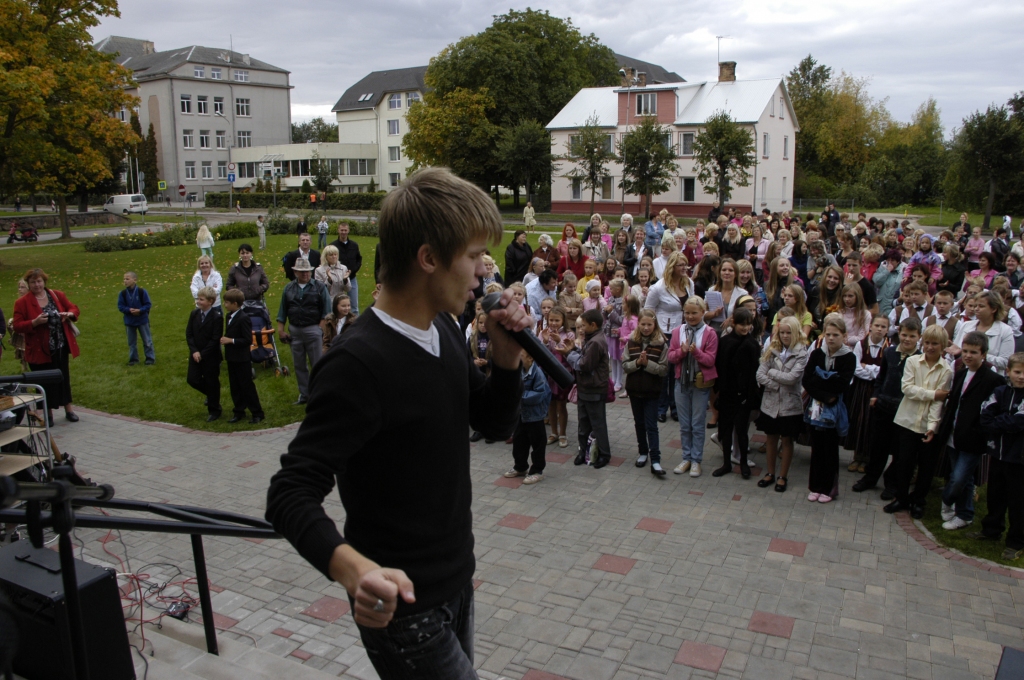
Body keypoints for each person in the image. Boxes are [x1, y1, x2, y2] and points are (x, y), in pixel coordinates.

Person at [265, 168, 529, 679]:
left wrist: (505, 358)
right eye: (474, 256)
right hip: (402, 607)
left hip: (456, 580)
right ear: (429, 258)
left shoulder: (444, 331)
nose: (483, 272)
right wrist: (353, 570)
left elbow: (494, 424)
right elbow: (289, 492)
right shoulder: (357, 363)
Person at [883, 323, 953, 518]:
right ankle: (901, 497)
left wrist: (932, 427)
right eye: (928, 343)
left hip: (927, 425)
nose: (930, 347)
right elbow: (907, 389)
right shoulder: (913, 361)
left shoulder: (946, 370)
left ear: (943, 346)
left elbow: (938, 404)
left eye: (935, 344)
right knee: (904, 462)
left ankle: (919, 500)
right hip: (907, 420)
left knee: (926, 467)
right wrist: (934, 394)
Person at [934, 332, 1001, 531]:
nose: (968, 356)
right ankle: (965, 514)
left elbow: (992, 409)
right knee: (965, 479)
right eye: (965, 351)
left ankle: (947, 500)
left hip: (972, 437)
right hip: (954, 433)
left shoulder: (992, 379)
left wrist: (980, 430)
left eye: (974, 352)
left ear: (984, 354)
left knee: (959, 478)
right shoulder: (961, 373)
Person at [13, 269, 81, 425]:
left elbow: (73, 308)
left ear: (44, 282)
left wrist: (68, 314)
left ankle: (68, 409)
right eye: (33, 282)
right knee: (44, 381)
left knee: (63, 377)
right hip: (39, 350)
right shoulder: (22, 302)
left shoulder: (56, 295)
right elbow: (17, 325)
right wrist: (34, 323)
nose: (37, 285)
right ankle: (47, 413)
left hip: (60, 345)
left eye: (39, 281)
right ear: (28, 284)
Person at [975, 353, 1024, 560]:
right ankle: (991, 530)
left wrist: (1002, 421)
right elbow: (985, 416)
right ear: (1008, 372)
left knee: (1018, 502)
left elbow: (1019, 423)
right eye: (1017, 372)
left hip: (1019, 459)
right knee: (995, 495)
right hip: (998, 454)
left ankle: (1016, 542)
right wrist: (1006, 420)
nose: (1021, 376)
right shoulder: (1000, 391)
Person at [802, 314, 856, 503]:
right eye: (828, 334)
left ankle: (828, 487)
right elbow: (807, 379)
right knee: (816, 447)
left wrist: (824, 382)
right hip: (817, 405)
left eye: (835, 335)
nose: (831, 338)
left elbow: (842, 383)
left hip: (835, 407)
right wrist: (824, 392)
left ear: (843, 336)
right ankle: (815, 486)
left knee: (830, 448)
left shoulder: (848, 357)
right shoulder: (818, 354)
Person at [756, 316, 808, 493]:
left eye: (789, 332)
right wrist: (776, 384)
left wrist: (772, 373)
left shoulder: (802, 352)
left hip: (790, 405)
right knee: (770, 439)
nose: (785, 336)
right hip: (770, 404)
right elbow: (760, 375)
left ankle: (782, 476)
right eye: (782, 332)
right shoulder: (772, 349)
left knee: (787, 440)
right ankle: (770, 472)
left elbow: (793, 378)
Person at [669, 297, 718, 478]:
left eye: (694, 313)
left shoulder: (710, 333)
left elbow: (710, 360)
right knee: (684, 425)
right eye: (687, 312)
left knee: (697, 424)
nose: (690, 316)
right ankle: (686, 457)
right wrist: (681, 352)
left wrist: (695, 352)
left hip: (700, 385)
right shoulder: (677, 331)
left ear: (703, 312)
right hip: (681, 384)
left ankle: (696, 460)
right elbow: (671, 357)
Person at [645, 252, 694, 422]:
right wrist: (655, 332)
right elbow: (648, 311)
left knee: (677, 372)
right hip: (664, 334)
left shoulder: (689, 284)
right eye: (681, 265)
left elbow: (691, 304)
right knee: (664, 373)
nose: (684, 268)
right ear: (672, 266)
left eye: (685, 265)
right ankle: (661, 407)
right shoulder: (659, 287)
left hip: (682, 333)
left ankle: (675, 407)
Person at [711, 308, 760, 479]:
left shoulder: (752, 344)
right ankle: (726, 463)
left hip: (743, 396)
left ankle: (744, 463)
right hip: (727, 393)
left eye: (748, 325)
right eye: (742, 325)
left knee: (741, 431)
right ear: (734, 323)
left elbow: (754, 372)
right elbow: (719, 365)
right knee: (725, 430)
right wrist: (717, 390)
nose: (745, 328)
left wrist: (750, 396)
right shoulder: (725, 341)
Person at [276, 258, 330, 405]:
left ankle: (320, 394)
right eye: (302, 272)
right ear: (295, 272)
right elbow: (282, 311)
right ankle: (304, 394)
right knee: (299, 364)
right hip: (295, 330)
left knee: (317, 363)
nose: (306, 274)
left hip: (313, 328)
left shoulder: (319, 287)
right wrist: (281, 330)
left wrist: (320, 328)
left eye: (307, 271)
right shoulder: (288, 288)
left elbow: (326, 311)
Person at [623, 308, 669, 474]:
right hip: (635, 390)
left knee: (651, 425)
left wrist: (647, 364)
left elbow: (663, 370)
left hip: (652, 392)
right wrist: (637, 363)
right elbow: (625, 365)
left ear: (654, 324)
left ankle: (655, 459)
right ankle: (643, 452)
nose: (646, 327)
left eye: (649, 324)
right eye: (643, 324)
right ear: (638, 324)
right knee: (639, 423)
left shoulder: (661, 343)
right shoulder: (631, 342)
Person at [844, 315, 889, 473]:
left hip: (878, 390)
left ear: (887, 330)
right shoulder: (860, 344)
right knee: (859, 420)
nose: (879, 329)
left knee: (872, 422)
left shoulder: (889, 348)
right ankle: (857, 456)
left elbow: (885, 373)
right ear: (870, 326)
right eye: (877, 325)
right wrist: (874, 371)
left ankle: (868, 458)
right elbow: (856, 368)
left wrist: (868, 368)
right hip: (861, 389)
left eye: (883, 327)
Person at [567, 308, 611, 468]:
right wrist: (574, 350)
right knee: (583, 423)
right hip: (585, 388)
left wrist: (568, 354)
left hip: (594, 388)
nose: (581, 329)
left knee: (598, 423)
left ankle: (604, 455)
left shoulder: (595, 342)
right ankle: (582, 451)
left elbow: (585, 364)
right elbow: (584, 357)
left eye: (584, 325)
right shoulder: (592, 338)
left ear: (593, 325)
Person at [503, 349, 551, 484]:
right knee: (519, 441)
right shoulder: (520, 370)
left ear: (530, 358)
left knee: (537, 444)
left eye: (521, 355)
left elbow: (540, 393)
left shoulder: (538, 374)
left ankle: (537, 470)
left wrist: (520, 396)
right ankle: (520, 466)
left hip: (535, 416)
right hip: (522, 414)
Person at [220, 289, 264, 425]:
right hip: (231, 357)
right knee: (235, 386)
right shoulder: (229, 316)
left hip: (242, 358)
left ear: (235, 303)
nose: (224, 305)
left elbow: (247, 340)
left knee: (246, 386)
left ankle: (257, 412)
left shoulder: (243, 318)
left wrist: (230, 340)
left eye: (227, 302)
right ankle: (239, 410)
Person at [949, 291, 1015, 375]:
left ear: (994, 309)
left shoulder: (1005, 330)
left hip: (990, 378)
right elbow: (956, 351)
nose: (976, 309)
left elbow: (1005, 362)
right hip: (964, 374)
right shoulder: (966, 326)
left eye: (981, 306)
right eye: (975, 305)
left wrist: (979, 356)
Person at [185, 286, 223, 422]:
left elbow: (215, 339)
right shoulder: (194, 314)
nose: (198, 301)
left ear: (210, 301)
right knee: (192, 379)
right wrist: (194, 351)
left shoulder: (216, 317)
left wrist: (203, 353)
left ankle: (214, 410)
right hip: (195, 354)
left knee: (211, 381)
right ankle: (213, 394)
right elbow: (189, 334)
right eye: (198, 299)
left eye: (201, 299)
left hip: (210, 356)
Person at [541, 305, 574, 448]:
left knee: (561, 405)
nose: (553, 323)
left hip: (562, 373)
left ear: (563, 320)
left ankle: (562, 433)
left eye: (557, 320)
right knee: (551, 405)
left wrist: (558, 340)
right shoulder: (544, 332)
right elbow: (542, 351)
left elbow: (568, 352)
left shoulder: (569, 334)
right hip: (549, 374)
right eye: (551, 320)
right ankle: (553, 432)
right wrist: (546, 341)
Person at [117, 271, 154, 366]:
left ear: (135, 280)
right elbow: (120, 306)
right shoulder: (123, 293)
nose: (125, 281)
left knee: (147, 341)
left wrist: (140, 310)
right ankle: (133, 359)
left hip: (142, 320)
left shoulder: (142, 292)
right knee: (131, 342)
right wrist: (129, 310)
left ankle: (150, 358)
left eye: (127, 279)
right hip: (129, 321)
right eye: (124, 279)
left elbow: (148, 304)